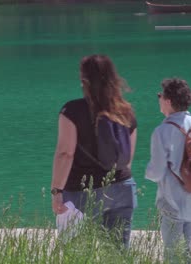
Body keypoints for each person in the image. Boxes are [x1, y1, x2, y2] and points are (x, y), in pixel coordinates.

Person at [51, 54, 138, 248]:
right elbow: (128, 158)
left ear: (84, 81)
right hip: (123, 187)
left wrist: (57, 191)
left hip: (81, 194)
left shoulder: (72, 111)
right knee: (117, 253)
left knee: (76, 252)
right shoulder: (125, 111)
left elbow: (65, 153)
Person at [145, 78, 191, 261]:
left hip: (173, 202)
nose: (158, 99)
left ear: (168, 101)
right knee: (185, 249)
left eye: (160, 96)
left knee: (172, 253)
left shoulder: (163, 131)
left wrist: (146, 172)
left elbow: (156, 172)